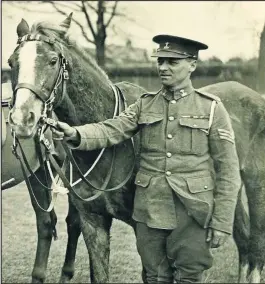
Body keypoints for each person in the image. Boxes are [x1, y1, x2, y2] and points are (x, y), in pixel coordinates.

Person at [52, 35, 241, 283]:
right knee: (154, 277)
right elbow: (111, 129)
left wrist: (222, 222)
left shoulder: (212, 109)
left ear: (192, 65)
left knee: (189, 276)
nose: (163, 67)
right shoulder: (144, 105)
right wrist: (76, 133)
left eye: (173, 62)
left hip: (192, 213)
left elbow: (228, 172)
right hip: (151, 213)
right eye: (161, 60)